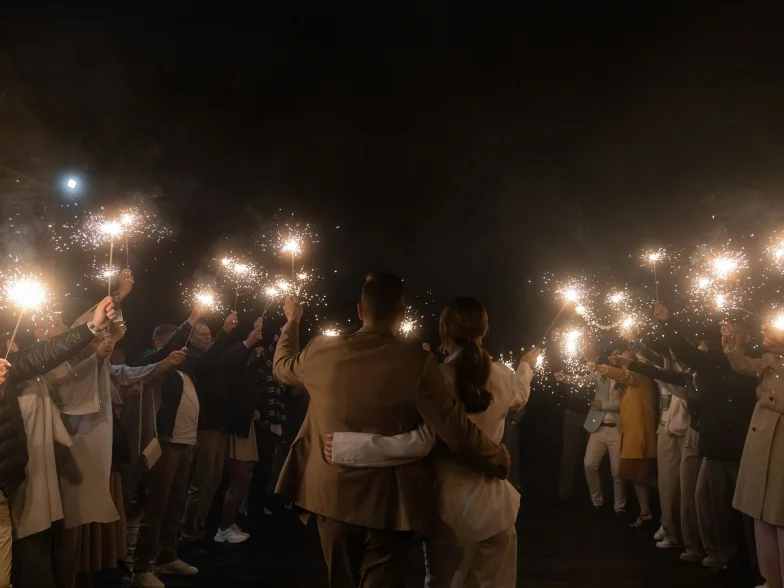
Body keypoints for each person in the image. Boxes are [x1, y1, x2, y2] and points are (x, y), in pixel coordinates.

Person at [272, 274, 511, 588]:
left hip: (330, 496)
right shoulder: (417, 362)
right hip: (387, 507)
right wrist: (498, 457)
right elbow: (454, 428)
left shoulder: (319, 352)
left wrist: (292, 321)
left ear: (360, 310)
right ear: (401, 314)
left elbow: (281, 365)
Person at [327, 296, 537, 587]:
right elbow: (520, 395)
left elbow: (420, 442)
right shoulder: (502, 374)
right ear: (483, 330)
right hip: (498, 510)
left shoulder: (437, 378)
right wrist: (526, 366)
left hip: (453, 514)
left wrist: (349, 447)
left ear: (444, 330)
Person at [8, 297, 116, 588]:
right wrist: (93, 326)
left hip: (40, 467)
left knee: (45, 541)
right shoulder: (19, 366)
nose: (61, 326)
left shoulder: (22, 364)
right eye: (54, 323)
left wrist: (97, 339)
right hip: (20, 475)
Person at [654, 302, 758, 571]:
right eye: (726, 331)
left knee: (749, 510)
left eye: (735, 331)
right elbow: (685, 352)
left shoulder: (756, 365)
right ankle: (724, 556)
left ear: (748, 337)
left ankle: (758, 561)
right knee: (717, 506)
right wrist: (667, 323)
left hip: (745, 446)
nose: (729, 334)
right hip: (716, 445)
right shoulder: (712, 362)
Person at [180, 315, 258, 547]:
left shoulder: (212, 358)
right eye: (202, 335)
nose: (207, 338)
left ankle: (200, 530)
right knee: (202, 482)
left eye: (209, 335)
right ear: (191, 339)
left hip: (220, 426)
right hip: (206, 428)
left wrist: (247, 341)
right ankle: (189, 535)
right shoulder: (193, 358)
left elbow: (225, 359)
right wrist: (228, 333)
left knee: (213, 482)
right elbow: (210, 359)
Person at [722, 321, 784, 588]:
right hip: (762, 446)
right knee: (761, 515)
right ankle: (771, 579)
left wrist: (766, 397)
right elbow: (743, 364)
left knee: (780, 517)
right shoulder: (771, 359)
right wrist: (735, 343)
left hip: (780, 446)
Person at [587, 352, 658, 529]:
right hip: (630, 434)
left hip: (639, 434)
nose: (621, 360)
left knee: (632, 474)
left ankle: (657, 502)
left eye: (625, 358)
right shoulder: (626, 381)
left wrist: (600, 367)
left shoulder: (639, 375)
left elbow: (624, 375)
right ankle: (646, 512)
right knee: (632, 475)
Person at [555, 343, 626, 515]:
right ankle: (597, 502)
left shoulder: (627, 379)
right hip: (597, 427)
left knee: (617, 471)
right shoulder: (601, 374)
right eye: (612, 356)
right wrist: (566, 378)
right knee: (589, 464)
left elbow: (626, 405)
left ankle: (620, 508)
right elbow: (583, 380)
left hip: (617, 429)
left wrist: (605, 405)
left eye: (618, 356)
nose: (614, 358)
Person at [214, 318, 263, 543]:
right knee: (239, 477)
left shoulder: (247, 368)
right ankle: (223, 529)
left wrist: (254, 410)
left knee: (245, 475)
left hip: (245, 424)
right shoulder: (229, 366)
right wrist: (250, 338)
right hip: (236, 427)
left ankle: (228, 523)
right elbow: (225, 365)